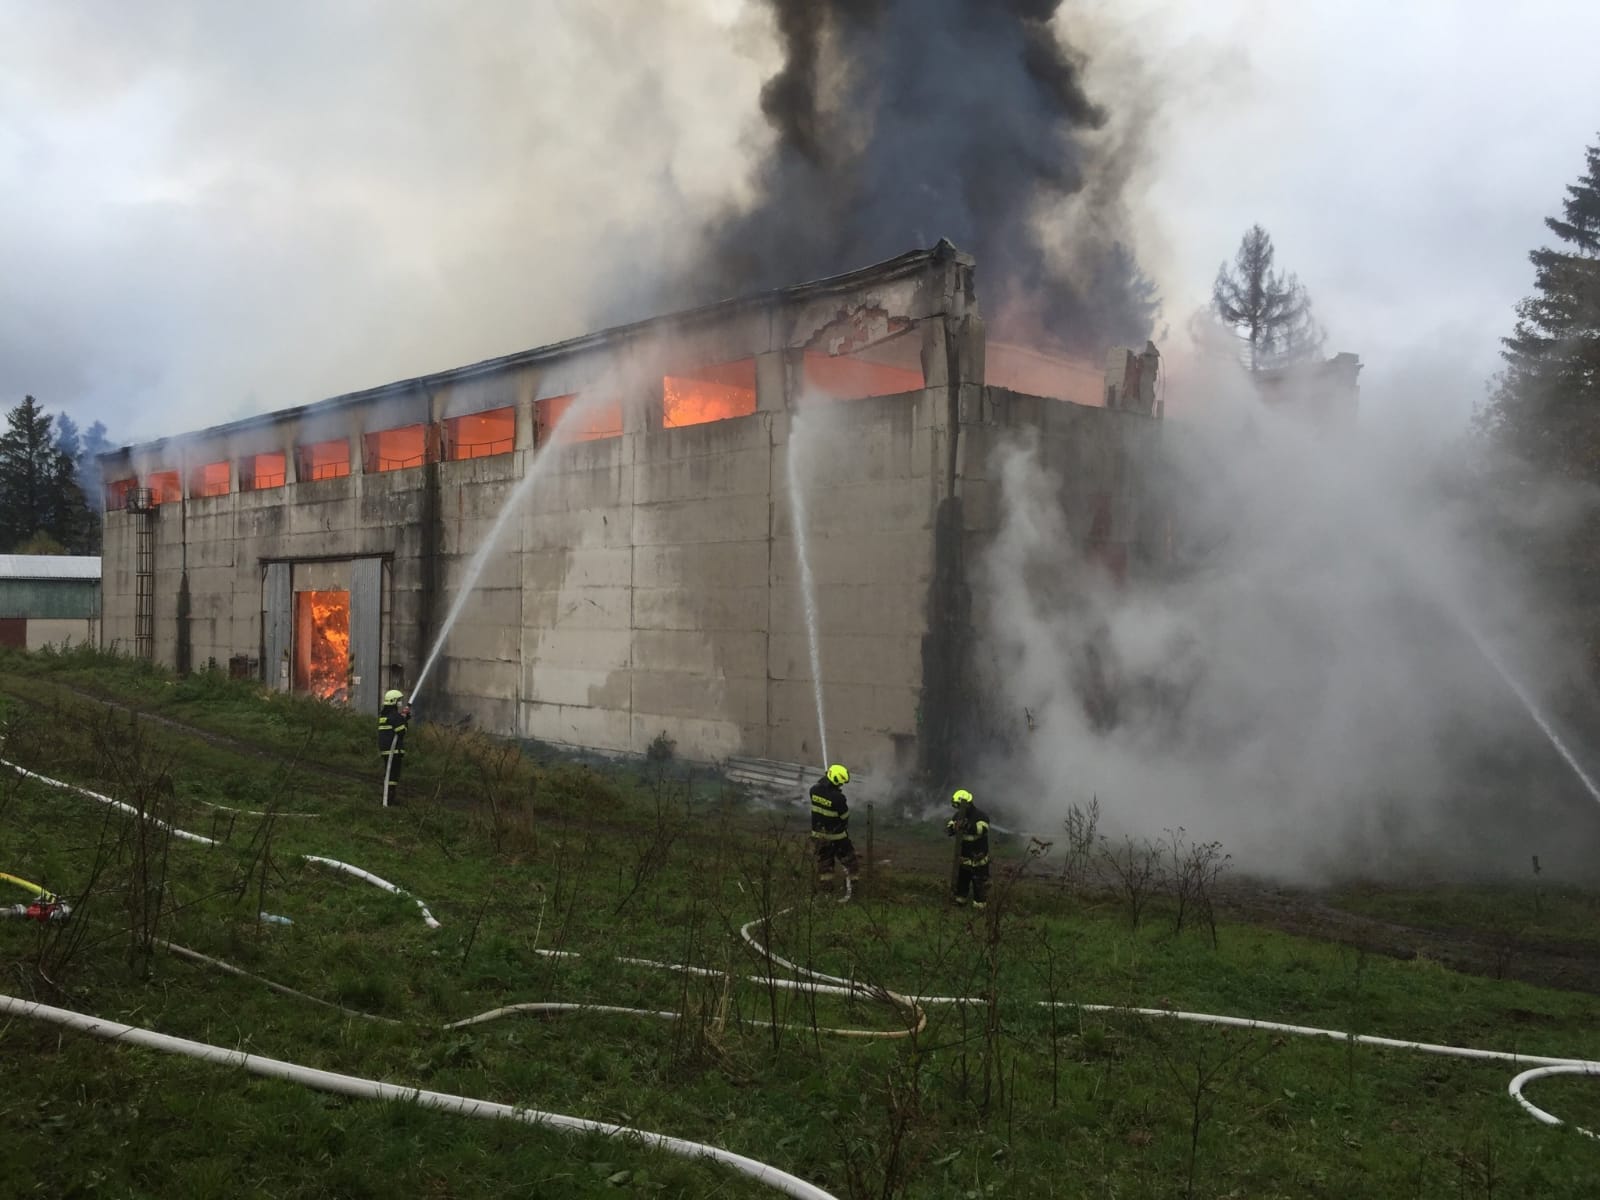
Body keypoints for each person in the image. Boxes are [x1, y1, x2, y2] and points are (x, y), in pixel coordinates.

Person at [809, 764, 860, 891]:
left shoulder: (813, 790)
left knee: (825, 863)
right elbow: (844, 816)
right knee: (850, 860)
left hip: (818, 835)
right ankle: (853, 885)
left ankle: (826, 888)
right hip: (837, 837)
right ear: (836, 781)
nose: (841, 786)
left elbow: (822, 789)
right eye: (841, 783)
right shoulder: (838, 798)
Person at [946, 788, 991, 908]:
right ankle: (959, 907)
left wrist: (966, 826)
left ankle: (980, 912)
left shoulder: (981, 816)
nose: (957, 809)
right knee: (961, 887)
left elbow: (982, 829)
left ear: (965, 804)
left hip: (979, 862)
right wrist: (954, 827)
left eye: (958, 806)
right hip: (963, 861)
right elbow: (949, 828)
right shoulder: (958, 816)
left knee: (980, 888)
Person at [378, 689, 412, 806]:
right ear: (393, 701)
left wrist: (402, 718)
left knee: (389, 773)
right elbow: (401, 731)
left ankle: (388, 796)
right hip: (393, 751)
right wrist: (405, 720)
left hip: (386, 750)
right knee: (393, 774)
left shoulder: (385, 715)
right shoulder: (394, 716)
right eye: (398, 701)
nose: (400, 703)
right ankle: (389, 798)